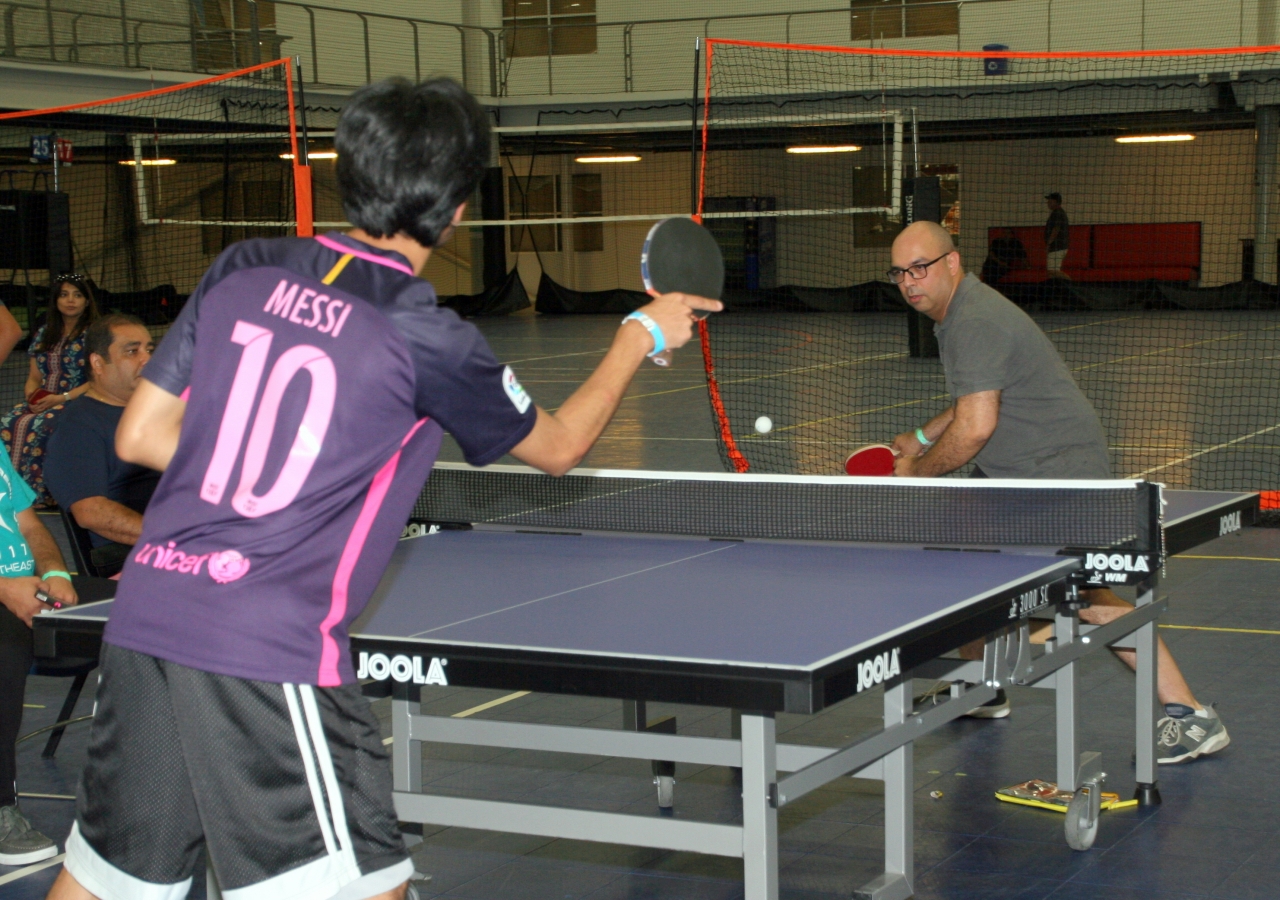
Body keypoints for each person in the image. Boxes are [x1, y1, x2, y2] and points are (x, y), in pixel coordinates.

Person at [46, 77, 720, 900]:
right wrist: (639, 335)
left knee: (107, 881)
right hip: (264, 648)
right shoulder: (426, 334)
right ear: (460, 207)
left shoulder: (243, 265)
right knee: (369, 885)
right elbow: (561, 447)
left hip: (148, 613)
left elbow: (140, 435)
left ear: (350, 171)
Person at [885, 220, 1227, 764]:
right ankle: (982, 686)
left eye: (920, 267)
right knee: (963, 569)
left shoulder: (972, 319)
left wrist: (919, 469)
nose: (910, 281)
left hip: (1057, 475)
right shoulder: (959, 314)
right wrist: (923, 436)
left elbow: (975, 427)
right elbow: (977, 395)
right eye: (900, 272)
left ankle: (1191, 717)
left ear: (952, 262)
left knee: (1089, 598)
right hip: (1017, 474)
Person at [0, 447, 79, 865]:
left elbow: (29, 524)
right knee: (5, 653)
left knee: (146, 614)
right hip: (5, 592)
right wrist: (3, 587)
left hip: (31, 585)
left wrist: (56, 572)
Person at [45, 315, 159, 576]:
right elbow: (91, 511)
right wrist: (175, 540)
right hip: (137, 558)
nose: (147, 359)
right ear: (98, 363)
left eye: (149, 350)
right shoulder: (79, 426)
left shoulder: (159, 413)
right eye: (132, 351)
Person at [0, 275, 98, 507]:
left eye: (77, 295)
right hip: (46, 398)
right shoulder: (44, 333)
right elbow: (34, 376)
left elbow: (96, 379)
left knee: (42, 425)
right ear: (55, 301)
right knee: (8, 422)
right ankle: (11, 492)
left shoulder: (95, 334)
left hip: (79, 398)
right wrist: (32, 396)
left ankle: (42, 495)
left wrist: (60, 398)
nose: (70, 300)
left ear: (87, 301)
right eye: (64, 295)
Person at [1044, 192, 1070, 279]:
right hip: (1059, 247)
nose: (1048, 203)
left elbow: (1056, 229)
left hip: (1056, 247)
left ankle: (1070, 282)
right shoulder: (1059, 212)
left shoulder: (1057, 213)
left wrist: (1049, 243)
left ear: (1055, 201)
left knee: (1052, 272)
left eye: (1050, 201)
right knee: (1053, 273)